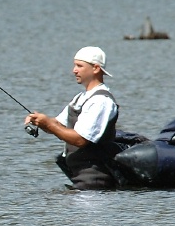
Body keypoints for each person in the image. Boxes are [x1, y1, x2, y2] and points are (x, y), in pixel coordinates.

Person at [25, 46, 120, 190]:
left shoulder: (101, 101)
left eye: (79, 66)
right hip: (81, 179)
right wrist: (40, 121)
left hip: (96, 182)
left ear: (95, 68)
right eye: (75, 65)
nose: (74, 70)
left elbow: (80, 139)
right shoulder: (80, 98)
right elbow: (58, 125)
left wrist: (48, 124)